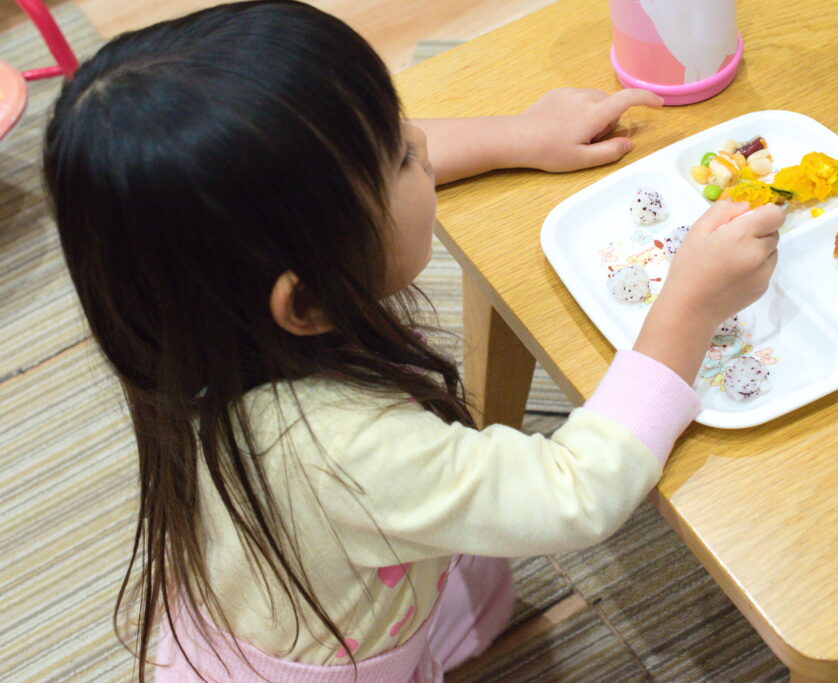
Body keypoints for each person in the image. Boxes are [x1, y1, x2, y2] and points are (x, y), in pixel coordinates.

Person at [43, 1, 781, 680]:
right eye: (400, 157)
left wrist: (514, 135)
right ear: (306, 300)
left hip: (290, 589)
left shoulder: (183, 307)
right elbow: (575, 494)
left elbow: (331, 179)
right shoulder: (343, 454)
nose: (425, 143)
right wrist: (686, 308)